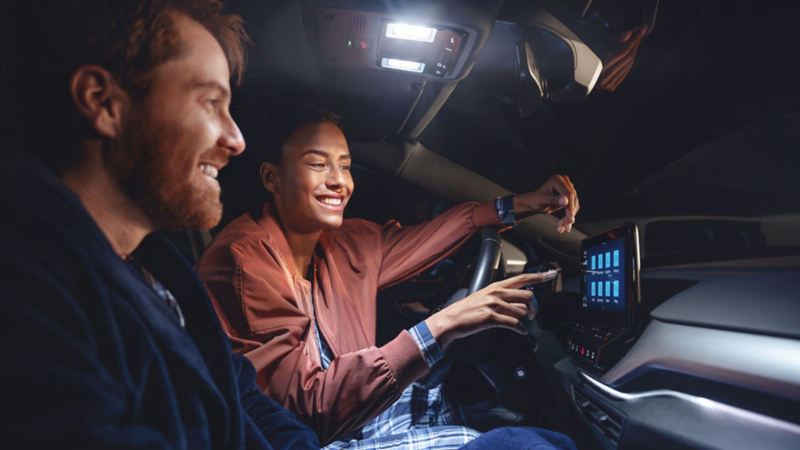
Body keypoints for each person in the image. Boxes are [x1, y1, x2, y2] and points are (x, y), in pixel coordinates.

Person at [0, 1, 321, 448]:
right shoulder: (27, 285)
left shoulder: (153, 266)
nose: (236, 140)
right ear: (102, 101)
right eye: (211, 102)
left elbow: (238, 397)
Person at [196, 104, 580, 449]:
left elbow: (436, 235)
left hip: (352, 417)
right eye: (317, 164)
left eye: (344, 166)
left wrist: (524, 203)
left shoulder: (343, 243)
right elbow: (305, 414)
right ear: (271, 178)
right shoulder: (245, 260)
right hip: (312, 438)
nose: (339, 181)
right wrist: (446, 323)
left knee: (451, 400)